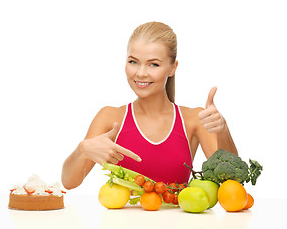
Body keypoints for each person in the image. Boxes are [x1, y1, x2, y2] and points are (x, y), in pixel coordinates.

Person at [61, 21, 238, 189]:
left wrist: (223, 129)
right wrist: (82, 149)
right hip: (119, 222)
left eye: (153, 64)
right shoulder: (110, 117)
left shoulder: (194, 119)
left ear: (172, 68)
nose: (141, 73)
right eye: (133, 62)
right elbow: (69, 182)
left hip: (177, 222)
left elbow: (232, 183)